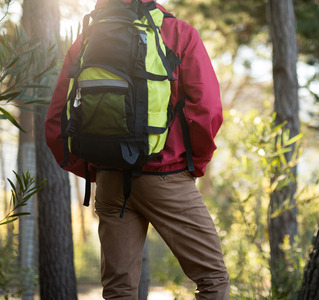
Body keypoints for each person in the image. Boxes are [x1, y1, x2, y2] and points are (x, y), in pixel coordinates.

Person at [44, 0, 230, 299]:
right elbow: (207, 110)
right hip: (166, 174)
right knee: (213, 278)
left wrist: (95, 167)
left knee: (119, 289)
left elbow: (56, 120)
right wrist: (193, 165)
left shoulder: (87, 39)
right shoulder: (177, 33)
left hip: (109, 179)